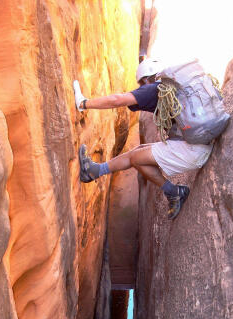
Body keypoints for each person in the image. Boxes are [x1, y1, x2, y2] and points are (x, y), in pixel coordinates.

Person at [73, 58, 213, 220]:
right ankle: (95, 171)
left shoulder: (154, 89)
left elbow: (118, 100)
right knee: (138, 152)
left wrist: (85, 103)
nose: (141, 87)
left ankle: (174, 193)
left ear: (146, 79)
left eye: (141, 83)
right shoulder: (174, 87)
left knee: (136, 159)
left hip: (192, 150)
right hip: (199, 144)